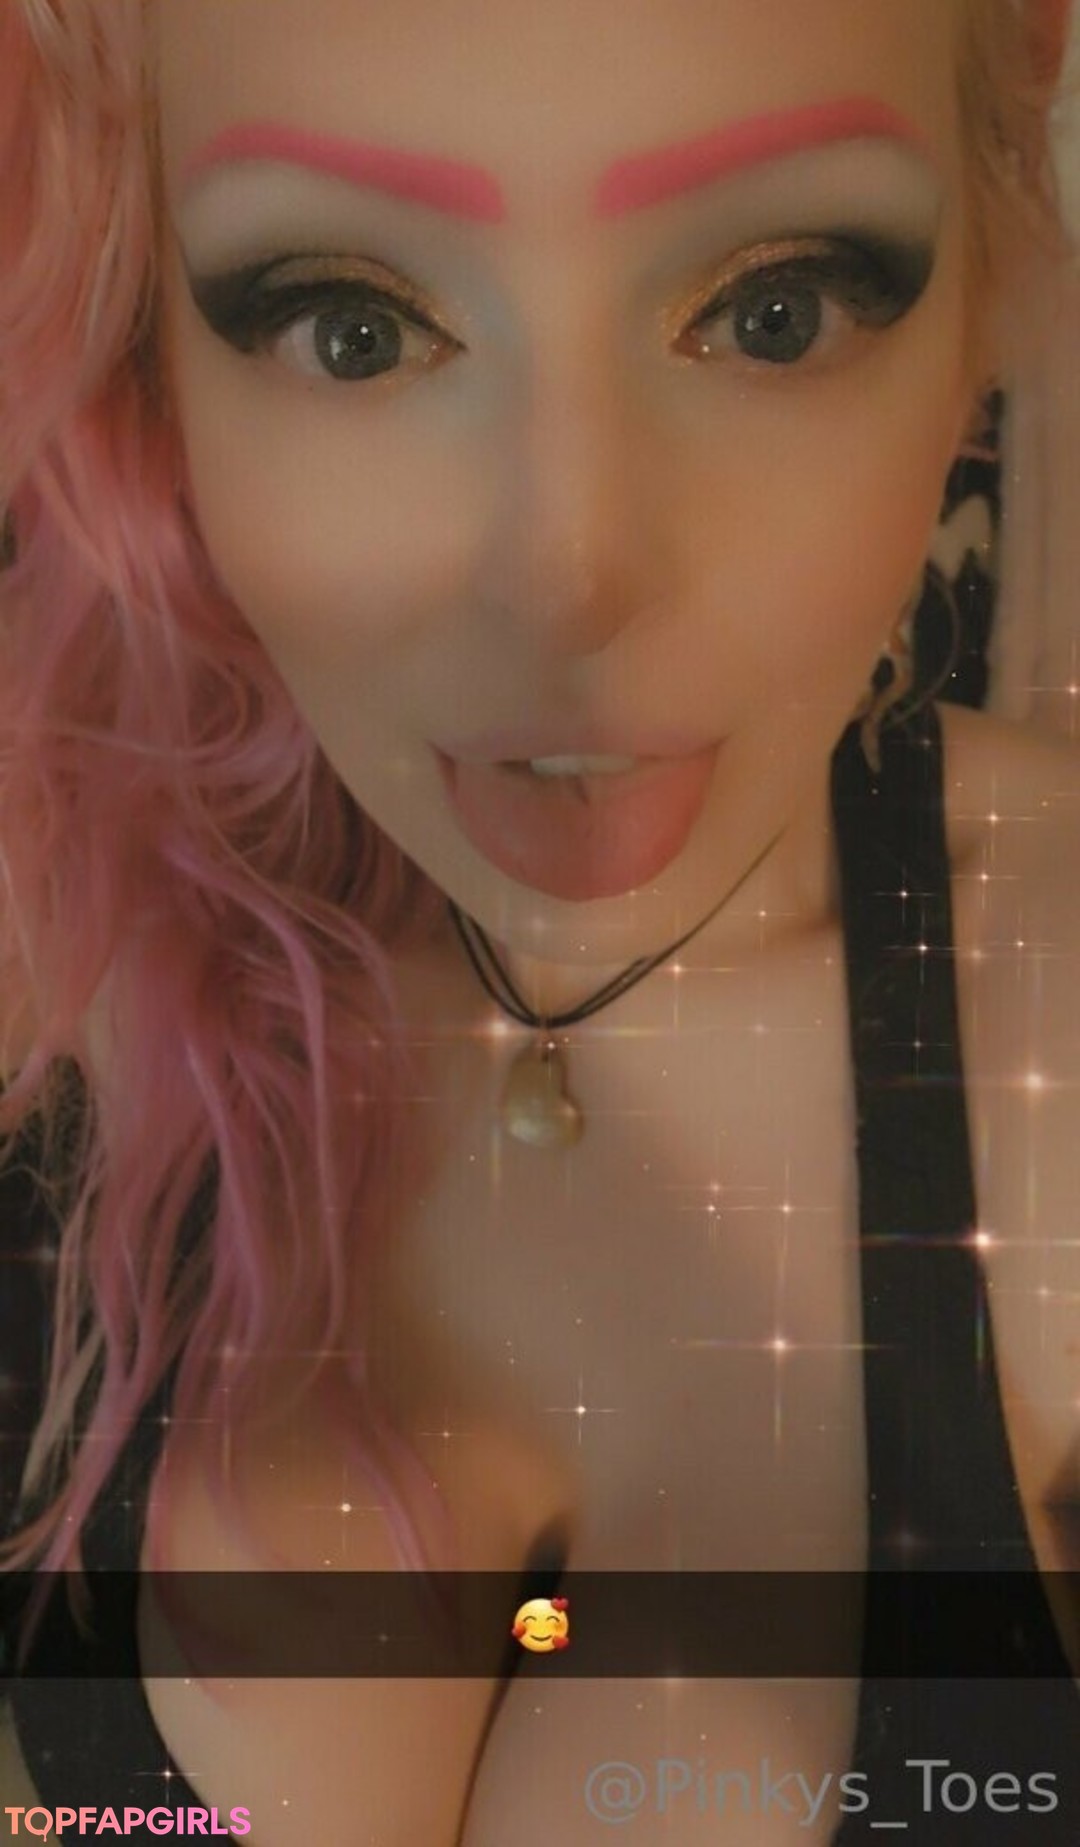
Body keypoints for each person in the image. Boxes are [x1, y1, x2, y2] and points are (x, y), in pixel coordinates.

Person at [0, 0, 1078, 1840]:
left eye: (773, 312)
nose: (567, 578)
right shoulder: (64, 932)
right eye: (353, 328)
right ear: (153, 353)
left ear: (986, 286)